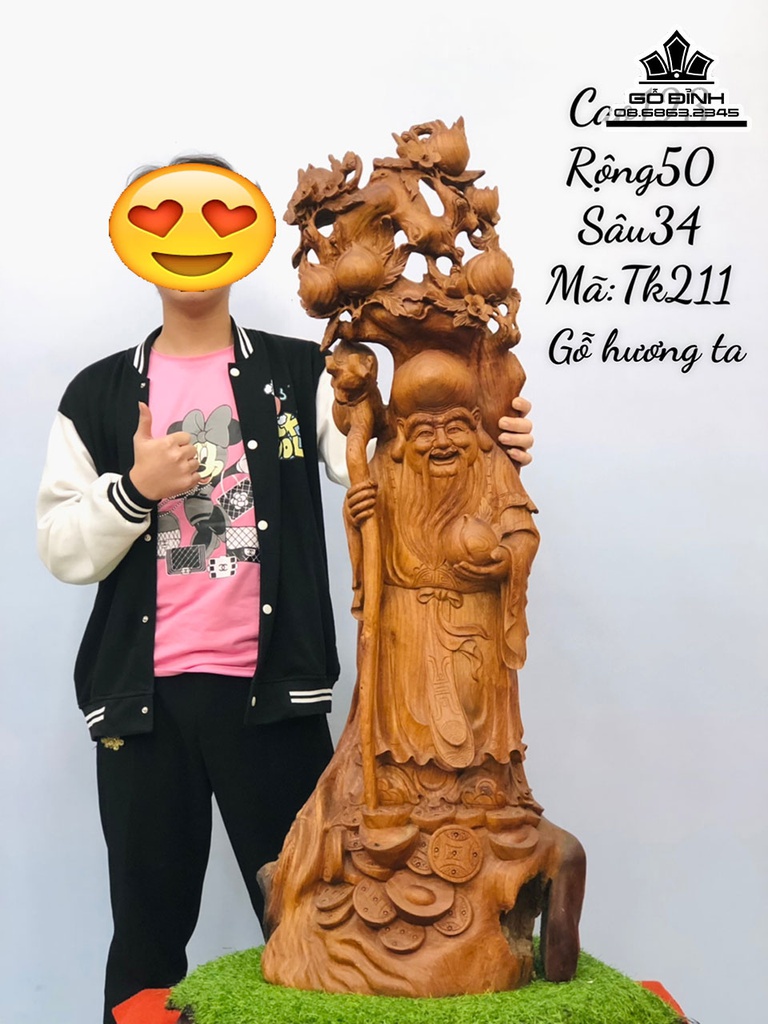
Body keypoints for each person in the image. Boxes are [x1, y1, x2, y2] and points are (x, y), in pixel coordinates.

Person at [35, 155, 535, 1024]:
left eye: (219, 217)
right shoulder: (98, 393)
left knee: (319, 925)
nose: (193, 238)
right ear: (135, 244)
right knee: (146, 934)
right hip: (142, 711)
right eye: (165, 219)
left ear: (250, 239)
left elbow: (386, 460)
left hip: (274, 702)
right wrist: (138, 488)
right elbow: (60, 547)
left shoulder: (301, 373)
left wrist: (485, 433)